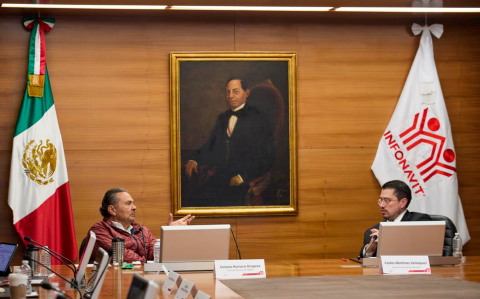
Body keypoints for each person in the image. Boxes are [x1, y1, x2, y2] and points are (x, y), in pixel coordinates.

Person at [184, 78, 276, 207]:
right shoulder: (223, 118)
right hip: (221, 176)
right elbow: (211, 146)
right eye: (228, 92)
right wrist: (194, 159)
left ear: (247, 93)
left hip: (243, 180)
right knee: (195, 200)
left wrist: (243, 176)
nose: (230, 96)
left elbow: (267, 155)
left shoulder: (258, 119)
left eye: (235, 91)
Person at [89, 188, 195, 262]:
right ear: (112, 209)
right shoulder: (99, 231)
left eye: (133, 203)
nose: (134, 207)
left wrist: (170, 235)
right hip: (111, 282)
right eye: (128, 203)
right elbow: (124, 258)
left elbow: (157, 255)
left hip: (140, 280)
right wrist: (148, 263)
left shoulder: (141, 230)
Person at [359, 180, 432, 258]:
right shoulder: (373, 232)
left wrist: (388, 239)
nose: (381, 205)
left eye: (386, 200)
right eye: (381, 200)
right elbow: (362, 261)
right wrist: (370, 249)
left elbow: (424, 253)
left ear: (403, 202)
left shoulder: (421, 222)